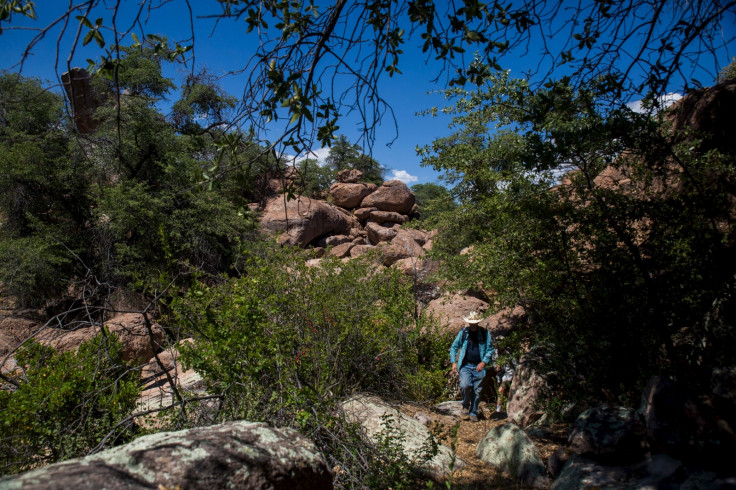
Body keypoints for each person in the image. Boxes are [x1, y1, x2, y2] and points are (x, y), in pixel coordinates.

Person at [450, 311, 494, 422]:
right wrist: (454, 362)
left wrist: (483, 362)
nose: (472, 325)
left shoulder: (485, 333)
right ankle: (465, 406)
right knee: (465, 385)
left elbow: (490, 349)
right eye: (471, 323)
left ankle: (473, 412)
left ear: (478, 323)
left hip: (479, 366)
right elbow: (454, 347)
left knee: (477, 390)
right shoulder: (464, 332)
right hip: (466, 365)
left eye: (474, 323)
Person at [491, 335, 516, 418]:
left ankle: (498, 410)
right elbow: (494, 365)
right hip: (500, 375)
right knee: (504, 392)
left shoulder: (509, 352)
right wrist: (496, 367)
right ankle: (505, 409)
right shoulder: (495, 352)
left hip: (509, 374)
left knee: (500, 390)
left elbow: (515, 363)